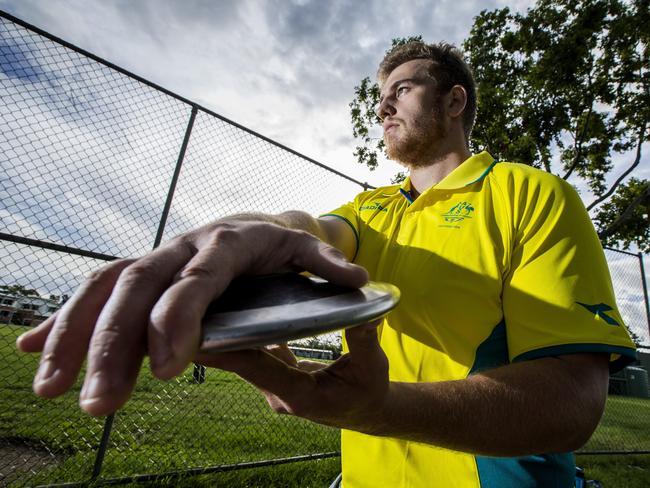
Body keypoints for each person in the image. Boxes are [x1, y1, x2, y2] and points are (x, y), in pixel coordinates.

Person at [17, 41, 637, 487]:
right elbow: (313, 232)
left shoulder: (530, 193)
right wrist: (253, 232)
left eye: (402, 90)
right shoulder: (372, 209)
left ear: (454, 102)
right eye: (379, 97)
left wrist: (378, 408)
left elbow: (570, 405)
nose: (384, 108)